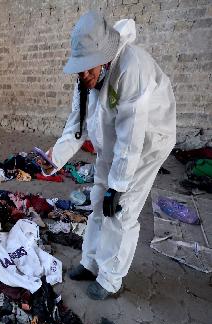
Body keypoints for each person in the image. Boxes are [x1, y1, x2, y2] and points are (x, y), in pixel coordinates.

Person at [47, 11, 176, 300]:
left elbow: (132, 138)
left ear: (104, 59)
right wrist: (54, 157)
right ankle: (90, 262)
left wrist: (117, 186)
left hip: (147, 143)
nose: (84, 77)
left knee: (120, 209)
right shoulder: (85, 77)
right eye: (80, 70)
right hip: (113, 142)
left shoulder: (132, 69)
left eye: (88, 70)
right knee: (98, 200)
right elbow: (77, 124)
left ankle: (110, 279)